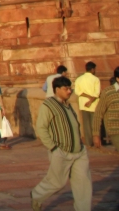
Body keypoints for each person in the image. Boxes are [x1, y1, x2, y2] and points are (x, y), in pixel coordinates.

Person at [31, 76, 92, 211]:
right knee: (56, 182)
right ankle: (37, 195)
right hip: (61, 151)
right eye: (66, 89)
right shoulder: (48, 105)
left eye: (70, 88)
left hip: (79, 152)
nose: (69, 91)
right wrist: (53, 148)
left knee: (83, 185)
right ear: (57, 89)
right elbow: (41, 127)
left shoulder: (68, 105)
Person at [92, 65, 119, 149]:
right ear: (117, 79)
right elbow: (98, 113)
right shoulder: (108, 92)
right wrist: (96, 134)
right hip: (116, 131)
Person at [74, 61, 100, 147]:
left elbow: (78, 92)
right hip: (93, 104)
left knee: (86, 125)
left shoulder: (79, 79)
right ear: (92, 69)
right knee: (95, 124)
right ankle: (96, 141)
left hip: (83, 104)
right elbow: (97, 93)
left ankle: (89, 143)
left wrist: (87, 98)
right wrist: (90, 100)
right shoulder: (95, 79)